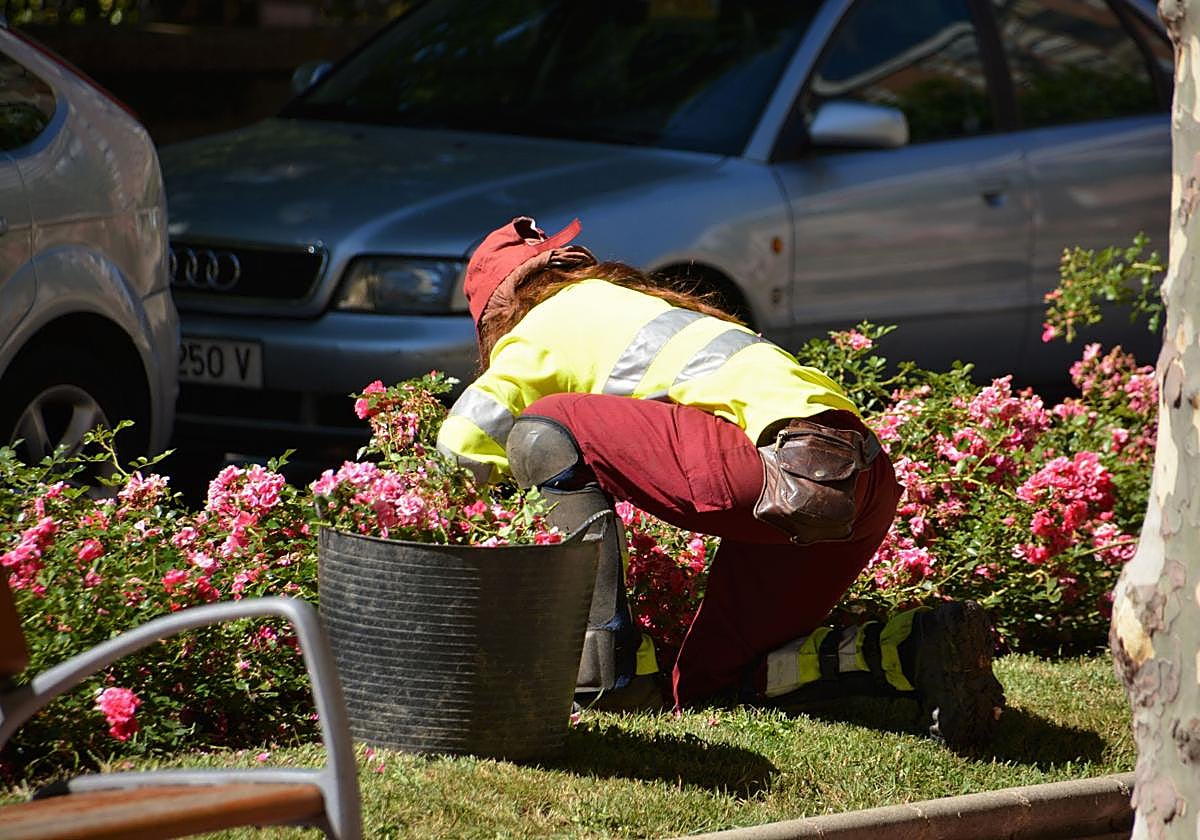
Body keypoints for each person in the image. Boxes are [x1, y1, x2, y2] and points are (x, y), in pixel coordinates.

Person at [436, 216, 1005, 749]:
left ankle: (606, 675)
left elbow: (464, 440)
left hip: (775, 470)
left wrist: (465, 511)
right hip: (857, 480)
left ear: (499, 310)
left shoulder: (540, 326)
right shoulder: (636, 302)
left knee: (549, 427)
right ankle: (917, 648)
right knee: (713, 681)